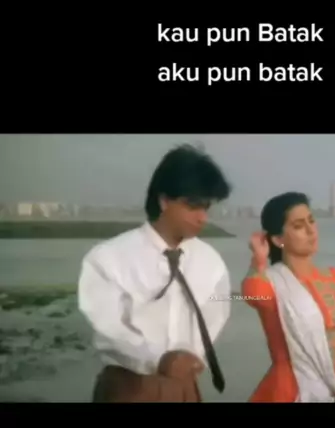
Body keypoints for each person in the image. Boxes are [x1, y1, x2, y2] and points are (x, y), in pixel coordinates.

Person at [78, 144, 232, 402]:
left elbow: (217, 313)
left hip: (185, 387)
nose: (202, 217)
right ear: (164, 201)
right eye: (193, 206)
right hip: (129, 386)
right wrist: (158, 359)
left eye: (206, 207)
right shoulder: (109, 257)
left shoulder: (211, 262)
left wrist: (191, 355)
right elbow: (108, 327)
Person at [241, 192, 335, 403]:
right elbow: (252, 294)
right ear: (278, 239)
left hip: (334, 387)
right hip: (290, 390)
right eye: (298, 226)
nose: (311, 230)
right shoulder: (273, 281)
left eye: (311, 221)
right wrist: (258, 259)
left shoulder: (333, 278)